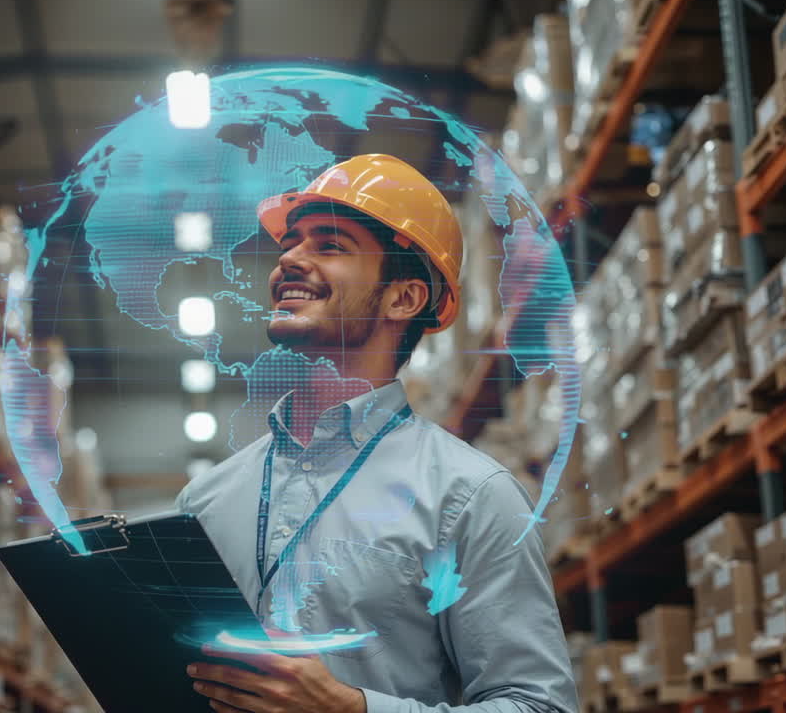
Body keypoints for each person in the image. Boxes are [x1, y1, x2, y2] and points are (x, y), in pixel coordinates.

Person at [178, 154, 577, 712]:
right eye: (290, 243)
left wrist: (351, 709)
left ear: (404, 298)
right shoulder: (202, 502)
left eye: (330, 245)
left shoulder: (468, 497)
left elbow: (539, 705)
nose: (289, 259)